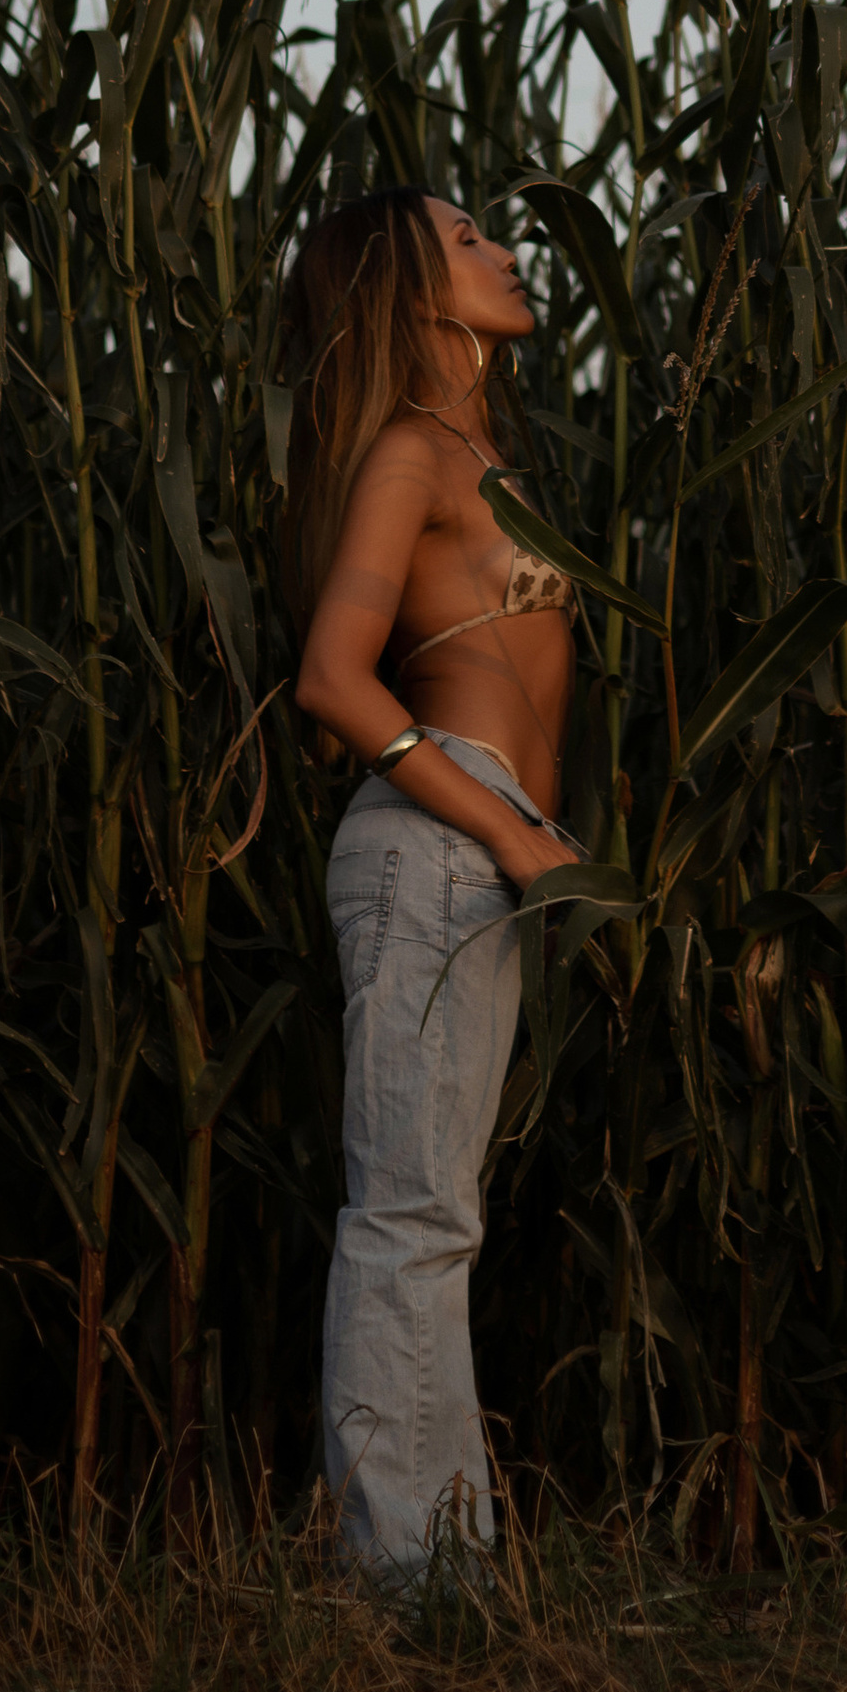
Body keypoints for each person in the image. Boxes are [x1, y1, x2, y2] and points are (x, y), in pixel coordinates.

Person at [284, 184, 584, 1582]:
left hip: (483, 837)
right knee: (409, 1214)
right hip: (435, 842)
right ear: (409, 289)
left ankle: (445, 1567)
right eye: (470, 240)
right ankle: (398, 1577)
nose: (507, 251)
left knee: (435, 1216)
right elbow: (332, 682)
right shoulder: (410, 451)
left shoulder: (488, 453)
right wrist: (509, 832)